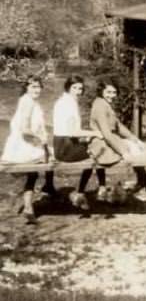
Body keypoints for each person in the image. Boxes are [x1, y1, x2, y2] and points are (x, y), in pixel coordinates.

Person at [89, 80, 146, 195]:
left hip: (110, 140)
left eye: (114, 92)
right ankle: (145, 181)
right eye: (108, 92)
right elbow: (107, 134)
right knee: (134, 151)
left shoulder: (105, 104)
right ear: (101, 92)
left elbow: (118, 126)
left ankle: (144, 180)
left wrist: (135, 139)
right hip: (102, 144)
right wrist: (123, 152)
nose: (112, 95)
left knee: (137, 146)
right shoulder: (99, 106)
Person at [1, 76, 56, 223]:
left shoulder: (29, 101)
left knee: (36, 171)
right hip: (23, 147)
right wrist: (41, 138)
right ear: (26, 88)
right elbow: (25, 129)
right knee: (52, 156)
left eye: (39, 87)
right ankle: (48, 188)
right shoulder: (27, 102)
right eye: (33, 87)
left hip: (26, 144)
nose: (37, 90)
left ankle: (29, 206)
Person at [52, 75, 106, 209]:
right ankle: (88, 192)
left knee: (94, 148)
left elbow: (71, 131)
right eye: (74, 88)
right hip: (66, 148)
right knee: (99, 150)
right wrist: (95, 133)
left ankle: (94, 190)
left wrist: (86, 137)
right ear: (68, 87)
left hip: (61, 145)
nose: (78, 91)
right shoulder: (68, 104)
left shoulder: (63, 100)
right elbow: (73, 132)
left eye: (80, 89)